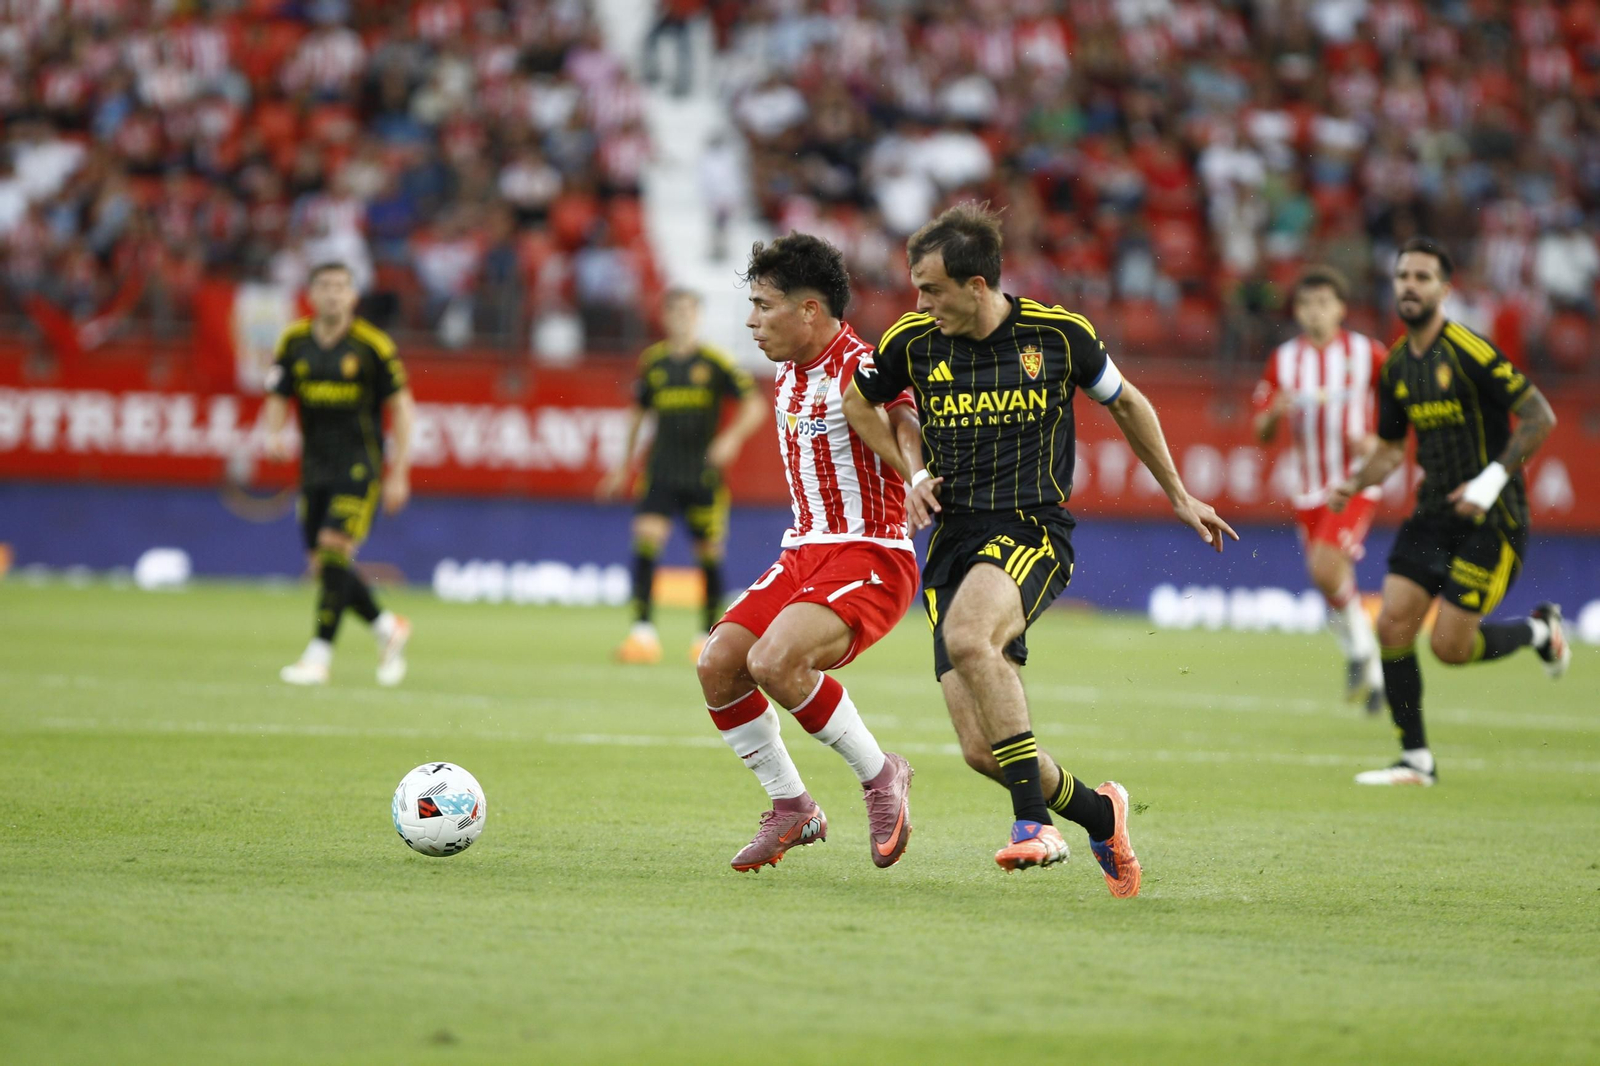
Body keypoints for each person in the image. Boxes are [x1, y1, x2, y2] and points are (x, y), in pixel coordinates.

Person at [843, 204, 1236, 894]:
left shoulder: (1056, 336)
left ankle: (1033, 827)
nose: (919, 302)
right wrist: (912, 473)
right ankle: (1099, 813)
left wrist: (1177, 493)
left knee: (970, 638)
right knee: (981, 750)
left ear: (975, 284)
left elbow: (1128, 402)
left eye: (931, 289)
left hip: (1031, 528)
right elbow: (859, 400)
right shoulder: (911, 341)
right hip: (953, 542)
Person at [696, 232, 923, 873]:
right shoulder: (789, 372)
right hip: (803, 552)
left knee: (776, 661)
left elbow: (907, 424)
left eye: (764, 305)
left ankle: (883, 776)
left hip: (871, 554)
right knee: (718, 664)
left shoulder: (862, 367)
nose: (750, 320)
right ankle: (792, 806)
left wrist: (919, 477)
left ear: (809, 311)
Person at [1328, 237, 1570, 786]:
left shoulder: (1470, 351)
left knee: (1450, 648)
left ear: (1444, 289)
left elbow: (1540, 416)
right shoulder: (1394, 367)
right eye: (1402, 276)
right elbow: (1391, 450)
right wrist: (1354, 483)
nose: (1409, 286)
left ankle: (1540, 632)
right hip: (1434, 512)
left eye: (1422, 277)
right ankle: (1416, 760)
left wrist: (1488, 482)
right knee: (1392, 624)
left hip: (1494, 514)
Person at [264, 261, 414, 687]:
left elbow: (402, 407)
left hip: (359, 467)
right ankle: (386, 627)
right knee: (324, 565)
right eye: (324, 286)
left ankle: (319, 655)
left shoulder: (372, 346)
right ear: (310, 294)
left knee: (332, 548)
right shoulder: (294, 341)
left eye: (341, 287)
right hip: (313, 468)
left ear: (353, 296)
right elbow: (277, 393)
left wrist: (399, 471)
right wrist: (273, 435)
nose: (332, 294)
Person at [598, 289, 767, 664]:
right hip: (660, 470)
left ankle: (706, 638)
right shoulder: (653, 363)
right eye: (675, 311)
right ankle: (642, 634)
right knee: (646, 539)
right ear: (665, 316)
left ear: (698, 317)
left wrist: (731, 438)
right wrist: (623, 465)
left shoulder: (714, 362)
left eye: (688, 312)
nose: (681, 318)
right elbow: (638, 416)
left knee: (708, 553)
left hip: (702, 475)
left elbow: (755, 404)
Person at [1253, 267, 1387, 713]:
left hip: (1355, 481)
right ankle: (1370, 666)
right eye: (1307, 304)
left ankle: (1364, 655)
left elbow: (1403, 405)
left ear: (1341, 308)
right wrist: (1275, 413)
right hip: (1308, 488)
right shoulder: (1284, 360)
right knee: (1329, 580)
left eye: (1324, 303)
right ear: (1297, 311)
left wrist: (1379, 441)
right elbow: (1262, 429)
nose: (1315, 312)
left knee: (1325, 570)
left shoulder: (1369, 354)